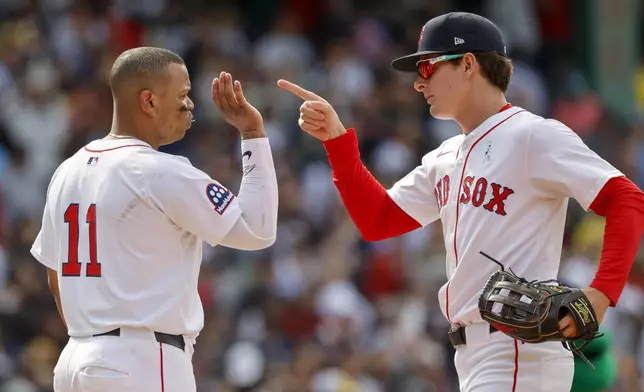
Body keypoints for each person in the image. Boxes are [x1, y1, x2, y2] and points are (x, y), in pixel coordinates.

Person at [278, 12, 644, 392]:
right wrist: (338, 143)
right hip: (470, 356)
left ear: (468, 64)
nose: (419, 82)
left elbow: (626, 199)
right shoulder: (445, 157)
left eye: (428, 67)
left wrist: (600, 294)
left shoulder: (532, 135)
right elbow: (378, 220)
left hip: (518, 351)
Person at [31, 47, 278, 391]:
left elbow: (55, 273)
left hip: (76, 359)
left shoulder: (67, 170)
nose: (190, 106)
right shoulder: (160, 171)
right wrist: (253, 133)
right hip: (141, 361)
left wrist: (95, 334)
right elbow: (258, 229)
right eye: (182, 95)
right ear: (149, 101)